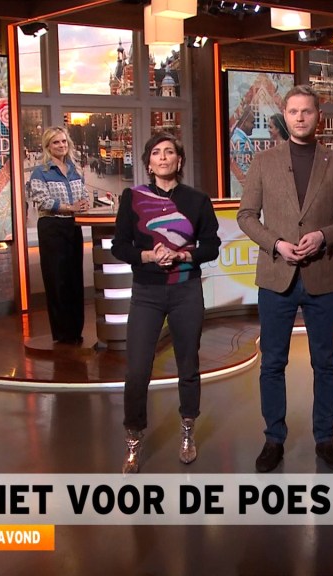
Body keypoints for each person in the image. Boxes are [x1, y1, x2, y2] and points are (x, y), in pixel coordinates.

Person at [237, 85, 333, 473]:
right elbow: (246, 216)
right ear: (285, 116)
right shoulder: (264, 162)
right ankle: (273, 439)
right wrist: (276, 243)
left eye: (307, 111)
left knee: (325, 363)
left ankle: (325, 437)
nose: (300, 117)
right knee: (272, 362)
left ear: (318, 116)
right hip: (276, 278)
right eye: (293, 111)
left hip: (320, 278)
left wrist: (324, 236)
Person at [111, 132, 220, 474]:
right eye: (156, 153)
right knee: (137, 370)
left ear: (179, 160)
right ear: (148, 163)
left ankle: (187, 430)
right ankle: (133, 440)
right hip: (147, 292)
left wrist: (183, 254)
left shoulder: (197, 200)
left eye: (169, 152)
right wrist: (147, 255)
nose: (162, 157)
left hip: (186, 290)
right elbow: (119, 246)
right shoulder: (132, 198)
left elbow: (211, 246)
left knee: (188, 365)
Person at [28, 126, 92, 344]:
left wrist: (83, 204)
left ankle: (75, 331)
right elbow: (42, 201)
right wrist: (70, 207)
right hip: (51, 228)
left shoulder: (75, 170)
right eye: (56, 142)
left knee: (74, 279)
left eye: (64, 141)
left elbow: (83, 194)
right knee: (57, 280)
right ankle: (62, 333)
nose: (61, 145)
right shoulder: (40, 172)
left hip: (73, 227)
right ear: (48, 146)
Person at [230, 110, 256, 174]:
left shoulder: (238, 137)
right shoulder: (241, 142)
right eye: (252, 122)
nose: (254, 126)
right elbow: (244, 171)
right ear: (244, 122)